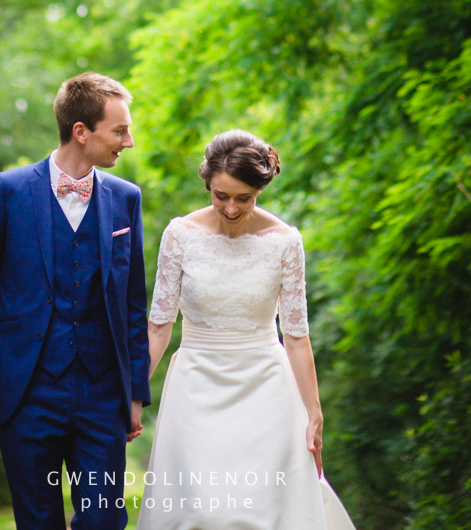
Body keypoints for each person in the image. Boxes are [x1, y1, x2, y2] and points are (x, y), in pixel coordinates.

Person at [0, 72, 150, 530]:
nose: (129, 141)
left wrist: (135, 391)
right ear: (82, 131)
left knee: (103, 523)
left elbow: (133, 303)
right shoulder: (8, 191)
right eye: (119, 130)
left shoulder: (126, 199)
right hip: (26, 392)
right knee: (37, 523)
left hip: (102, 395)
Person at [138, 129, 356, 530]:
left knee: (260, 510)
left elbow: (295, 334)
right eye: (221, 196)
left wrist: (313, 411)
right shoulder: (180, 236)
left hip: (266, 387)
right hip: (195, 386)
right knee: (200, 510)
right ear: (207, 184)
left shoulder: (285, 242)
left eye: (244, 198)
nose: (232, 208)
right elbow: (159, 328)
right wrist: (133, 394)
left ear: (260, 189)